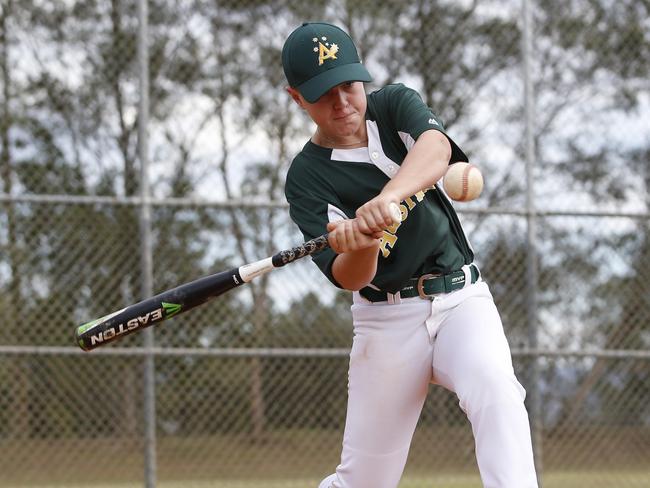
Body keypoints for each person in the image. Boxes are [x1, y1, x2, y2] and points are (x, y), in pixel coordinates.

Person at [282, 22, 539, 488]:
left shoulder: (393, 104)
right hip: (387, 320)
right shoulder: (306, 177)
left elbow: (436, 150)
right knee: (365, 480)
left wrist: (389, 197)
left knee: (497, 392)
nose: (342, 103)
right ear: (297, 97)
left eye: (348, 85)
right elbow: (352, 277)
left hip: (461, 298)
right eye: (323, 94)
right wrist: (361, 244)